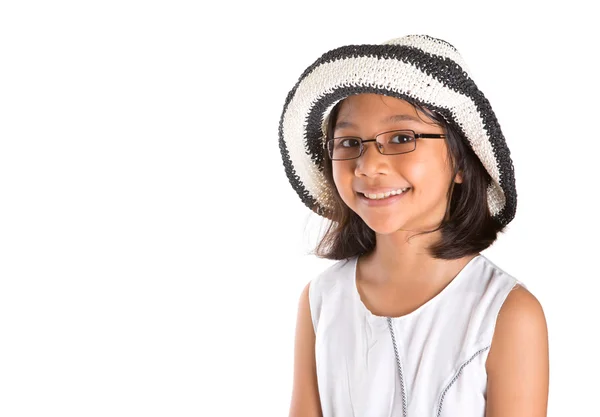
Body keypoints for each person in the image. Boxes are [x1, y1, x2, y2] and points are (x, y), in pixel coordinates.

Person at [278, 35, 549, 416]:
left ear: (459, 159)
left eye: (402, 138)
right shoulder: (322, 300)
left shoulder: (506, 312)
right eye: (350, 142)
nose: (368, 166)